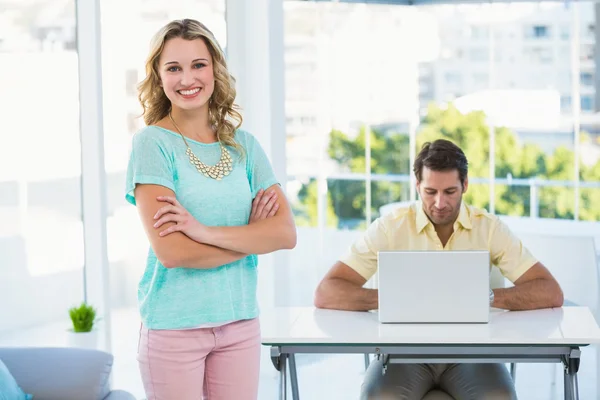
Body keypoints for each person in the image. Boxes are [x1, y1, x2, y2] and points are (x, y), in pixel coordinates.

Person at [125, 19, 297, 400]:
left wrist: (201, 231)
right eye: (174, 68)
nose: (188, 78)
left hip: (239, 323)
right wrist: (252, 238)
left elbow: (285, 234)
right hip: (174, 328)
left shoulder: (245, 146)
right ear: (158, 76)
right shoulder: (152, 144)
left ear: (215, 69)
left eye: (198, 65)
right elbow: (173, 253)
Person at [314, 139, 563, 400]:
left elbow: (550, 291)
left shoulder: (489, 228)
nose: (440, 203)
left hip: (473, 354)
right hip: (402, 355)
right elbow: (326, 292)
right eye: (430, 192)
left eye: (450, 192)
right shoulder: (390, 227)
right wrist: (391, 300)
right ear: (417, 186)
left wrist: (486, 297)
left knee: (499, 397)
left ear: (465, 185)